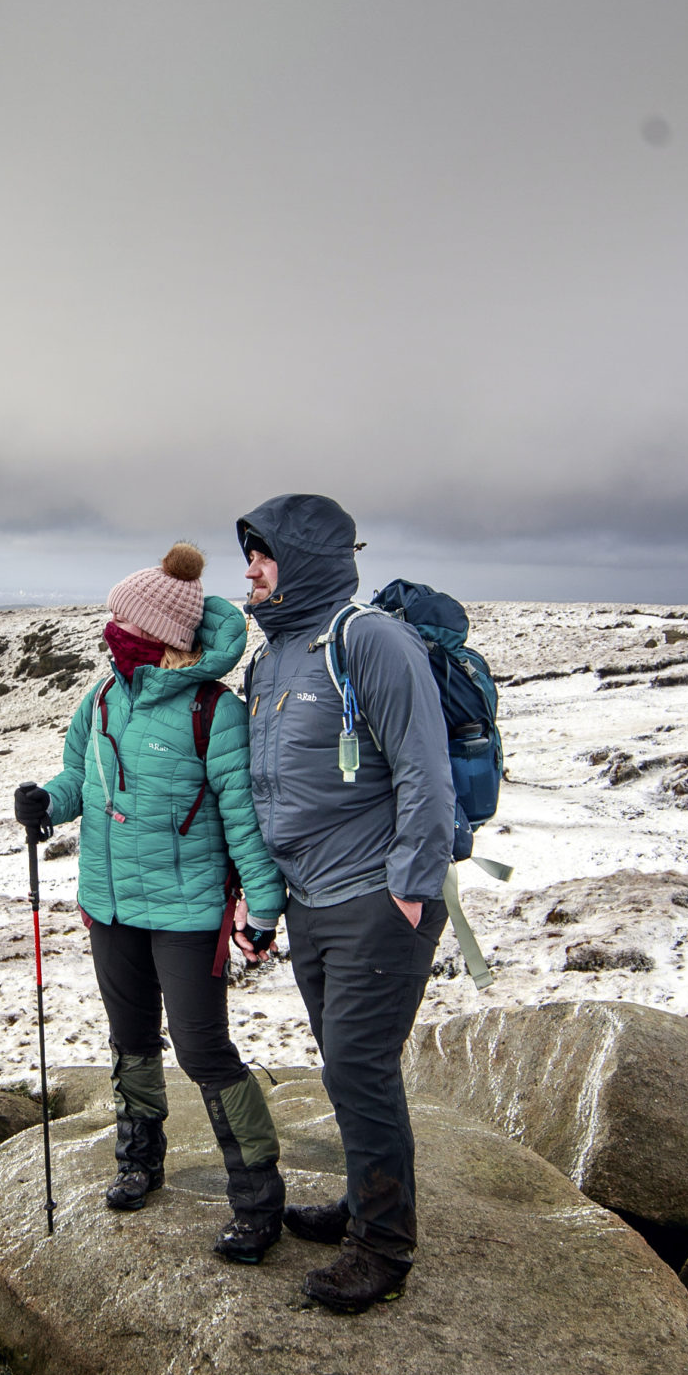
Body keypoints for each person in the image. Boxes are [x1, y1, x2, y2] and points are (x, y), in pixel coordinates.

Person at [13, 544, 289, 1263]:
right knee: (130, 1038)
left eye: (120, 617)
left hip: (188, 912)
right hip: (109, 905)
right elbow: (81, 778)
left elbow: (242, 818)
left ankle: (259, 1199)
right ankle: (140, 1160)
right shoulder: (103, 697)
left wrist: (263, 905)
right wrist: (47, 802)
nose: (110, 625)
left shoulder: (212, 711)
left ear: (158, 632)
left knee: (203, 1050)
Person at [232, 494, 451, 1313]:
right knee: (345, 1063)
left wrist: (411, 887)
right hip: (311, 898)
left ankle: (384, 1245)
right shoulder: (276, 657)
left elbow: (424, 768)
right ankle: (365, 1200)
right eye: (247, 554)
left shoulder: (369, 639)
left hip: (376, 895)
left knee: (357, 1064)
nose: (249, 568)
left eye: (262, 553)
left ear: (306, 558)